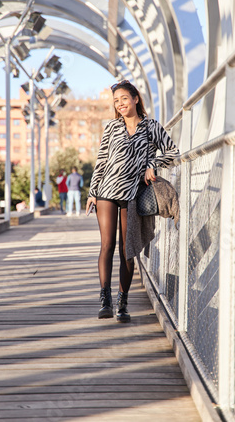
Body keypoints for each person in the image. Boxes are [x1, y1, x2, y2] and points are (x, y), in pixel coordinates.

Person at [86, 79, 179, 323]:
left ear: (136, 99)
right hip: (107, 190)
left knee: (127, 250)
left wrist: (153, 164)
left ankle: (122, 302)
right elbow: (101, 160)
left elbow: (173, 152)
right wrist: (92, 192)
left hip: (133, 192)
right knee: (107, 245)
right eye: (116, 101)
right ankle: (105, 299)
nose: (120, 104)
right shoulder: (111, 127)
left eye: (124, 99)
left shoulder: (151, 127)